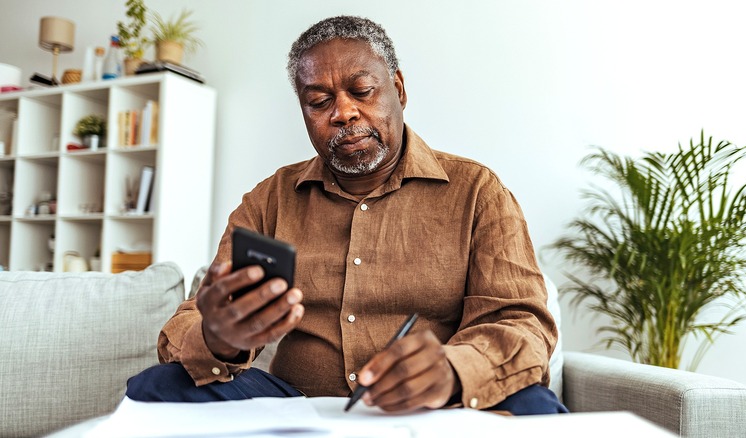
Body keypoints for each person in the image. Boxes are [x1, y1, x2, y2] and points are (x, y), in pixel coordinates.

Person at [127, 15, 567, 415]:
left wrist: (454, 371)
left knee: (535, 406)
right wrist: (218, 337)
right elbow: (189, 322)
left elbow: (522, 322)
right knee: (158, 385)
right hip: (297, 405)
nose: (343, 113)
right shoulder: (268, 200)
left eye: (361, 91)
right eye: (318, 101)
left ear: (398, 89)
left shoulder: (477, 191)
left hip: (437, 408)